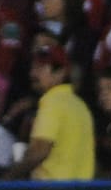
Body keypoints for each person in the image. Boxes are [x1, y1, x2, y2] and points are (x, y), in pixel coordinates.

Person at [5, 44, 95, 181]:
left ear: (60, 72)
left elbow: (39, 150)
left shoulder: (52, 101)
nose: (33, 74)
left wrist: (8, 178)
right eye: (33, 67)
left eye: (40, 68)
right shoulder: (79, 104)